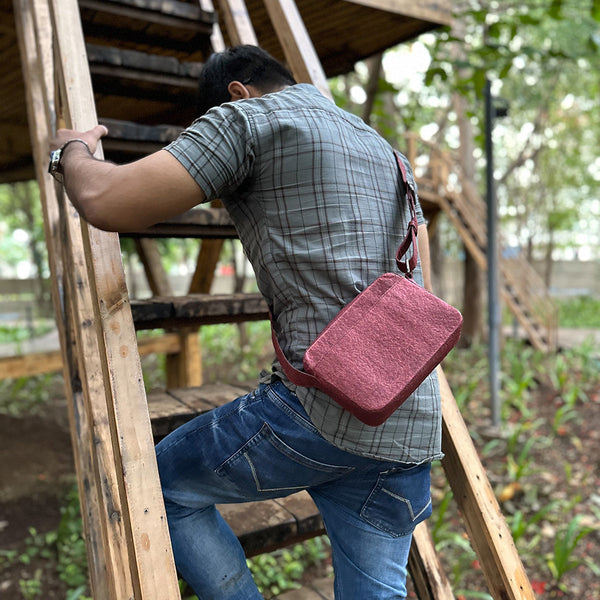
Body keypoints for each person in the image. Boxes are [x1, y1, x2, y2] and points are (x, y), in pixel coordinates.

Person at [50, 45, 442, 600]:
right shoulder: (384, 149)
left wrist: (73, 150)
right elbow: (421, 278)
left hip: (318, 410)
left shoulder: (248, 118)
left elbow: (104, 198)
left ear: (237, 93)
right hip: (408, 419)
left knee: (155, 486)